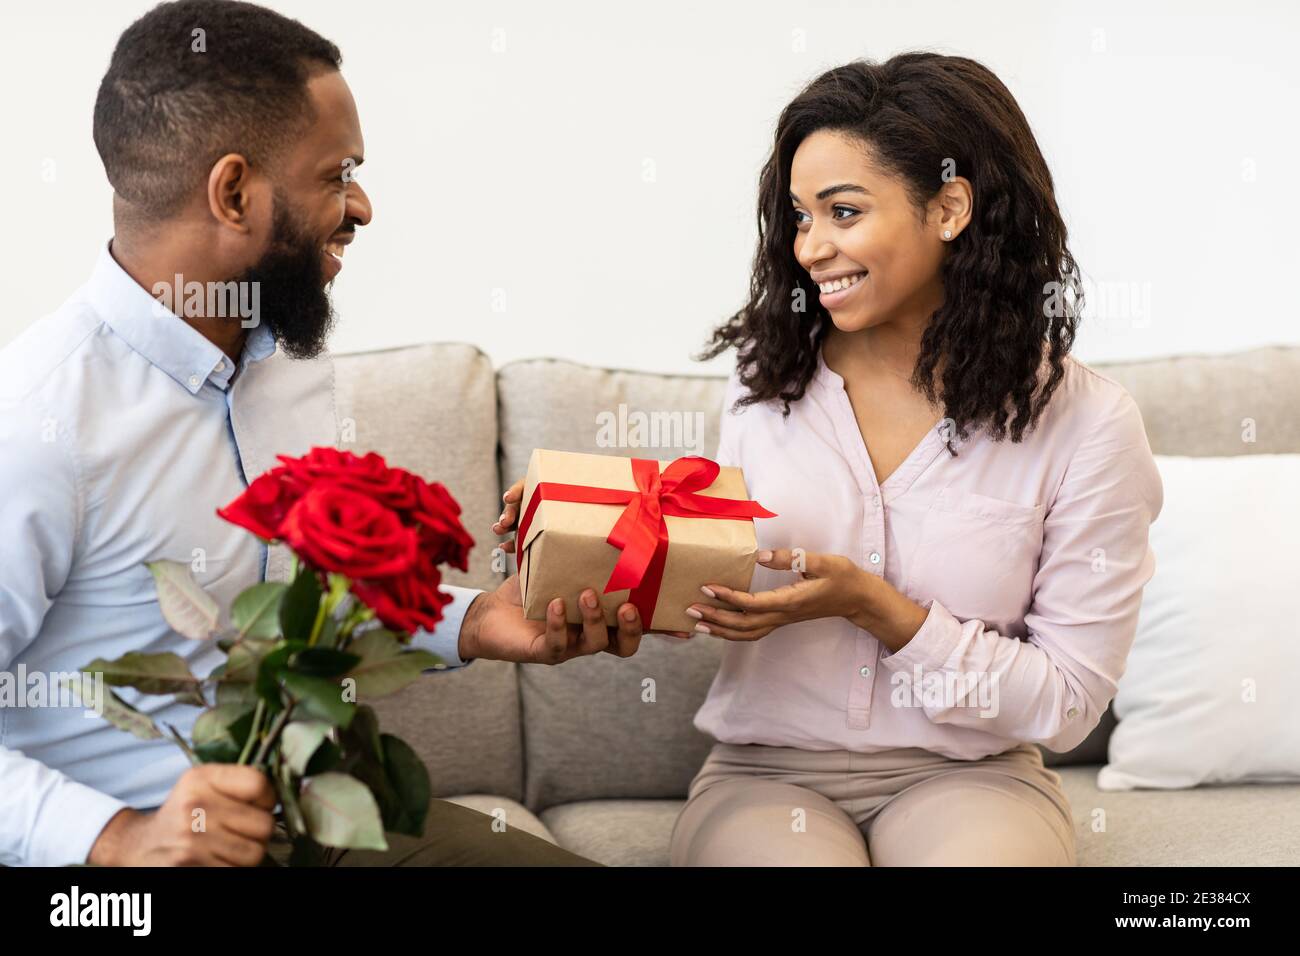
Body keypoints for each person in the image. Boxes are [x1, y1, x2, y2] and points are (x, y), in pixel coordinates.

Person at [0, 0, 661, 868]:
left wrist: (473, 623)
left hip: (309, 821)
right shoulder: (39, 421)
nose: (363, 206)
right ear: (234, 192)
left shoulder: (283, 362)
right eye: (337, 173)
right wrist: (120, 839)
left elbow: (297, 615)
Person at [669, 54, 1163, 866]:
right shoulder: (764, 383)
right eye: (799, 217)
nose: (812, 247)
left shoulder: (1087, 423)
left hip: (973, 777)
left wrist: (881, 610)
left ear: (950, 206)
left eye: (844, 212)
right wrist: (619, 558)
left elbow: (1070, 703)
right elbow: (716, 575)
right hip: (767, 777)